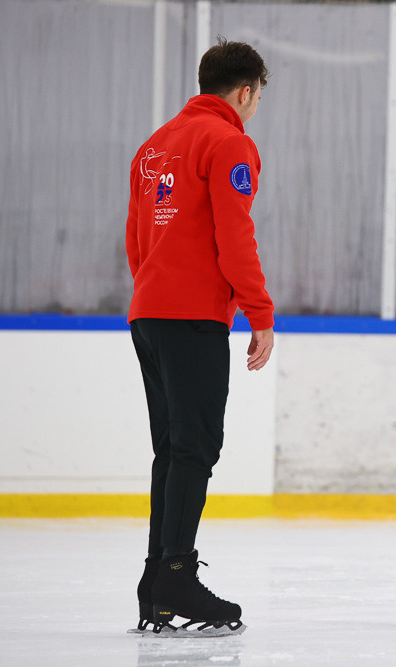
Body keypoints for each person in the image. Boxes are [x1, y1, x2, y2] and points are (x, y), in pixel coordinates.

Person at [125, 38, 274, 636]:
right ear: (245, 91)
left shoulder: (153, 146)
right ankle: (176, 577)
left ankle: (157, 580)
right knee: (195, 448)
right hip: (192, 318)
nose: (256, 105)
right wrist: (259, 312)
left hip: (149, 313)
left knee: (173, 448)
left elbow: (137, 237)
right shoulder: (228, 141)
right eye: (259, 94)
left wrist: (153, 295)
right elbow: (235, 236)